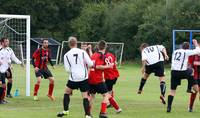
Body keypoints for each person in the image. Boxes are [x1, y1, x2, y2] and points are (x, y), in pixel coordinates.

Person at [57, 37, 94, 118]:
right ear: (76, 43)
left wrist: (74, 71)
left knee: (67, 92)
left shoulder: (66, 55)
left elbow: (67, 70)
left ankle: (65, 111)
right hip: (83, 78)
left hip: (73, 78)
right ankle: (87, 115)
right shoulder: (83, 52)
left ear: (69, 44)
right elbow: (91, 64)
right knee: (85, 96)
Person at [88, 40, 121, 118]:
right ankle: (102, 113)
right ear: (105, 47)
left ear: (97, 47)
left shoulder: (93, 55)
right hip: (97, 79)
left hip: (91, 78)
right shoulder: (101, 55)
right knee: (106, 95)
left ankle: (88, 114)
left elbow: (91, 64)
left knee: (92, 96)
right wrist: (108, 66)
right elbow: (98, 66)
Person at [167, 39, 200, 112]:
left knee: (172, 91)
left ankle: (168, 107)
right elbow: (198, 51)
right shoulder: (186, 52)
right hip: (182, 72)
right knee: (191, 71)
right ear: (188, 48)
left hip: (174, 72)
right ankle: (189, 88)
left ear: (181, 46)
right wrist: (196, 43)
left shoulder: (175, 51)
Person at [0, 37, 24, 104]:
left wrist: (20, 63)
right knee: (2, 85)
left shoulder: (9, 49)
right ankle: (2, 99)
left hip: (6, 68)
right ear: (2, 43)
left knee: (7, 82)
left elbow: (13, 57)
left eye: (8, 41)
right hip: (1, 70)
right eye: (6, 41)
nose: (7, 42)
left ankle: (3, 98)